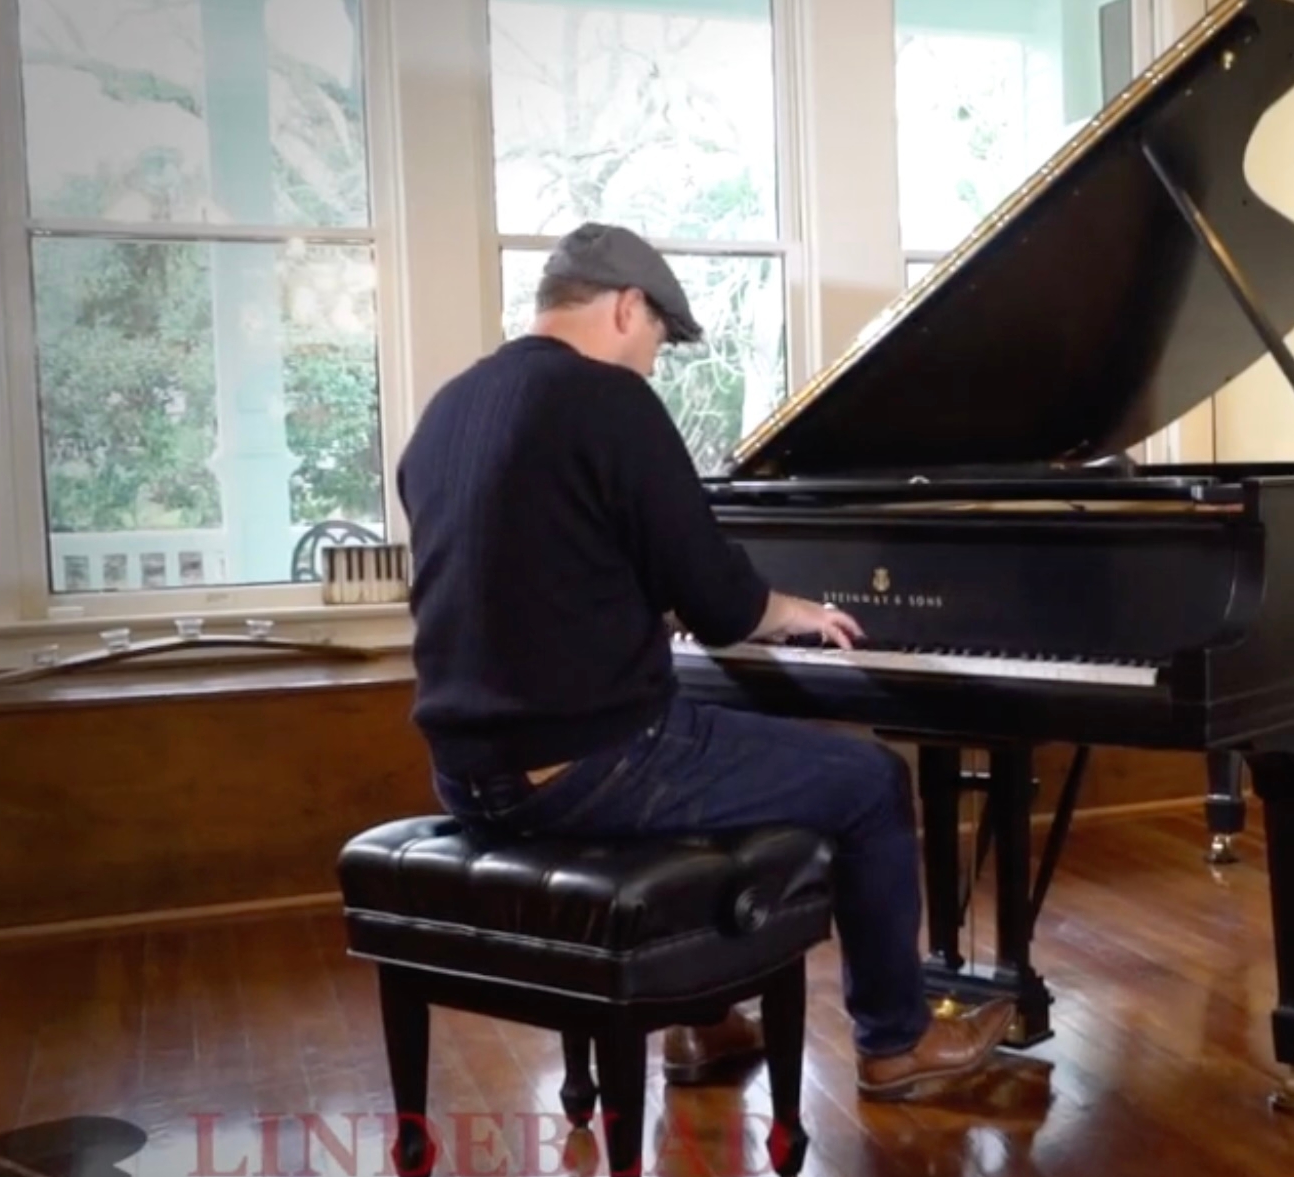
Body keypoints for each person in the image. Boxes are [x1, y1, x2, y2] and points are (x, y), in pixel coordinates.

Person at [395, 221, 1014, 1102]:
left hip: (466, 775)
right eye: (658, 337)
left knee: (728, 748)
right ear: (626, 307)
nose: (653, 362)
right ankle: (895, 1041)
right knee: (871, 782)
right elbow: (720, 604)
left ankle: (704, 1017)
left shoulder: (450, 408)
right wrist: (794, 611)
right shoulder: (609, 400)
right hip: (588, 769)